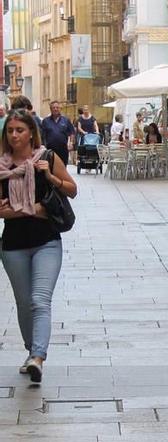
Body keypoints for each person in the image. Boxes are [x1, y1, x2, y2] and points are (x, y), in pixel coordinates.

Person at [0, 109, 77, 383]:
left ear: (31, 132)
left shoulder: (47, 157)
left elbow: (71, 189)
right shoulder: (2, 166)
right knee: (23, 303)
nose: (14, 135)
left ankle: (38, 357)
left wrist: (51, 177)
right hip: (13, 245)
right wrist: (20, 211)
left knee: (39, 300)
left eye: (19, 130)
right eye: (10, 131)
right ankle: (31, 351)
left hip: (46, 241)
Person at [40, 101, 76, 166]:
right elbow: (42, 135)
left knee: (63, 167)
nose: (55, 109)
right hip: (50, 150)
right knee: (51, 167)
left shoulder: (66, 120)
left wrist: (71, 143)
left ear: (60, 109)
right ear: (51, 109)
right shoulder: (45, 121)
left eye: (57, 107)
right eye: (53, 108)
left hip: (63, 149)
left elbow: (72, 132)